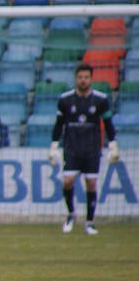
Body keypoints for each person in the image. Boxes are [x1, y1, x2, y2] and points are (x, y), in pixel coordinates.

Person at [49, 63, 119, 235]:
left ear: (91, 79)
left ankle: (89, 222)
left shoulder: (100, 100)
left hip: (92, 149)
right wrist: (53, 146)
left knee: (91, 183)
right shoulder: (65, 100)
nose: (83, 80)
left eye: (86, 77)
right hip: (71, 148)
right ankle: (71, 214)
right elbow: (58, 125)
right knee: (67, 181)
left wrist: (113, 145)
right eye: (80, 77)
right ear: (76, 78)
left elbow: (108, 124)